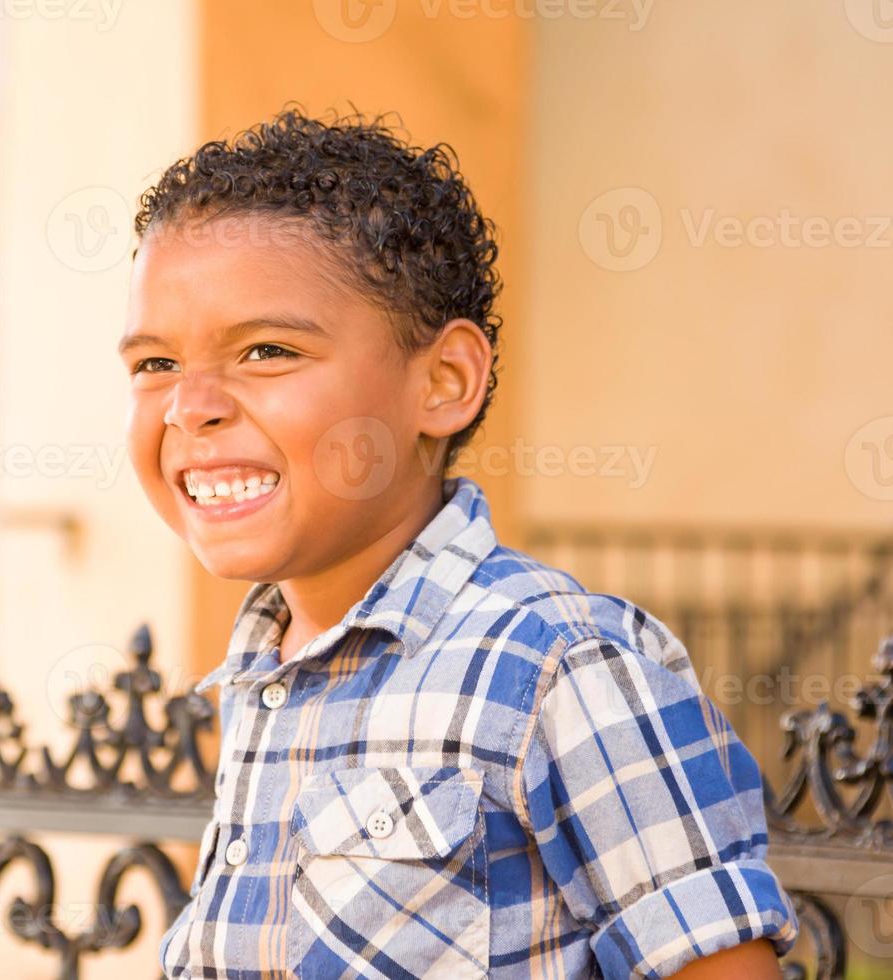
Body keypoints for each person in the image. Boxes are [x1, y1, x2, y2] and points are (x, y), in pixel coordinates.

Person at [116, 105, 798, 978]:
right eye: (154, 365)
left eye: (268, 351)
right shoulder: (266, 674)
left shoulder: (560, 663)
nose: (189, 405)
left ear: (443, 382)